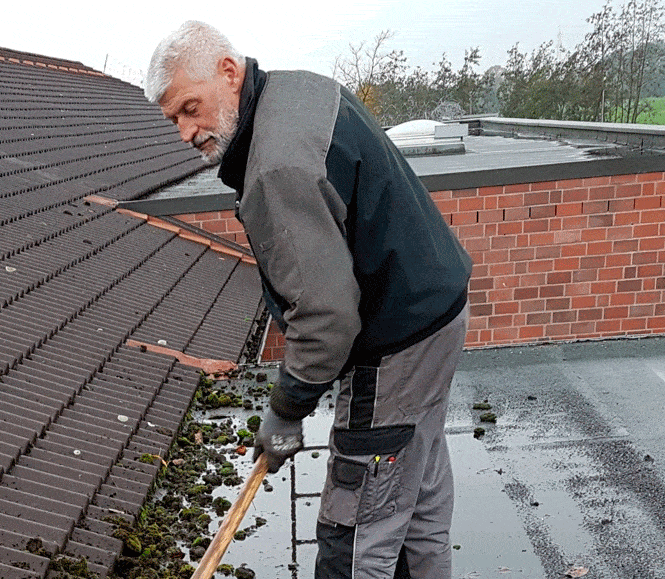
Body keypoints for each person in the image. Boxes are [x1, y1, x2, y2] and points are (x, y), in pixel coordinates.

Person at [145, 21, 472, 579]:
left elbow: (326, 316)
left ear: (229, 71)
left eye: (191, 108)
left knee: (357, 529)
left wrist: (286, 409)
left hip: (396, 341)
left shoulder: (276, 167)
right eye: (174, 118)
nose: (185, 131)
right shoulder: (298, 90)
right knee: (414, 503)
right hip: (437, 310)